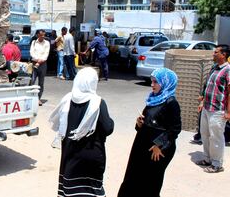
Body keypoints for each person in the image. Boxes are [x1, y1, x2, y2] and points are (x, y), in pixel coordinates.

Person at [49, 67, 114, 197]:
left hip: (70, 153)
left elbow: (58, 123)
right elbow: (108, 128)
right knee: (90, 190)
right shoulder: (98, 102)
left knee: (71, 189)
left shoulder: (67, 99)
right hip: (90, 154)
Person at [117, 68, 181, 197]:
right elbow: (147, 118)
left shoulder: (171, 103)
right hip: (142, 144)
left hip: (158, 149)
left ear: (166, 83)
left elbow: (175, 129)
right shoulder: (154, 98)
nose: (152, 85)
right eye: (152, 81)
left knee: (151, 182)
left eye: (156, 82)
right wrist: (139, 123)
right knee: (133, 177)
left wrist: (159, 146)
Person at [195, 44, 230, 173]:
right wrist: (202, 101)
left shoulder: (228, 70)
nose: (213, 54)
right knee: (205, 134)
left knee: (216, 137)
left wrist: (228, 111)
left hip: (218, 110)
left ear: (223, 55)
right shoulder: (214, 68)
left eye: (216, 52)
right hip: (206, 108)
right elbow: (207, 86)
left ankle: (217, 164)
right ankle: (207, 159)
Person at [30, 29, 50, 106]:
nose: (43, 36)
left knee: (41, 83)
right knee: (32, 81)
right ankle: (31, 98)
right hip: (34, 63)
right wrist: (37, 60)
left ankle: (38, 99)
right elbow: (32, 53)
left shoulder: (47, 43)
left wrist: (39, 62)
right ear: (37, 35)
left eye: (44, 35)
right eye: (41, 35)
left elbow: (46, 54)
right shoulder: (34, 42)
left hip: (43, 64)